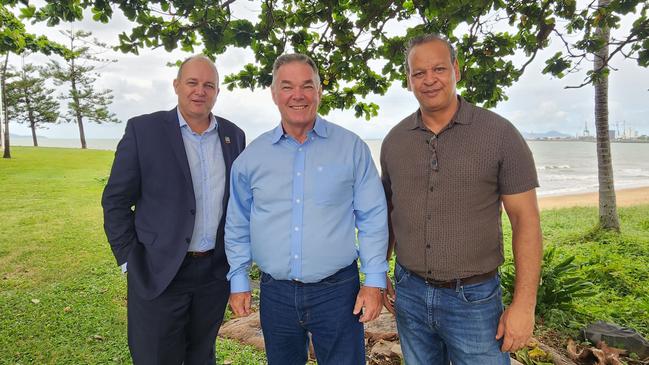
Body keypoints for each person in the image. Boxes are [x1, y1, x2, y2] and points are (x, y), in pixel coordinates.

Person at [380, 34, 542, 365]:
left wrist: (524, 305)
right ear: (408, 80)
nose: (429, 80)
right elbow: (390, 212)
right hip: (409, 293)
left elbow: (526, 221)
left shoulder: (499, 134)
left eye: (438, 68)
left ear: (456, 69)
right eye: (418, 73)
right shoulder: (394, 141)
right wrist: (379, 266)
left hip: (474, 300)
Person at [224, 53, 388, 365]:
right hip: (276, 294)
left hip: (338, 292)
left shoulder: (351, 148)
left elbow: (372, 216)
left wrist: (374, 280)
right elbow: (237, 222)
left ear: (319, 91)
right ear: (274, 94)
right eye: (287, 87)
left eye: (307, 86)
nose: (298, 95)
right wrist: (239, 279)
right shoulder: (252, 158)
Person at [101, 55, 245, 365]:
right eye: (192, 82)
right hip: (158, 272)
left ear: (217, 92)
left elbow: (238, 205)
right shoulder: (144, 130)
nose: (200, 91)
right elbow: (115, 201)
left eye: (209, 85)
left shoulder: (234, 136)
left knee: (201, 356)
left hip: (212, 274)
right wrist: (129, 260)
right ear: (177, 85)